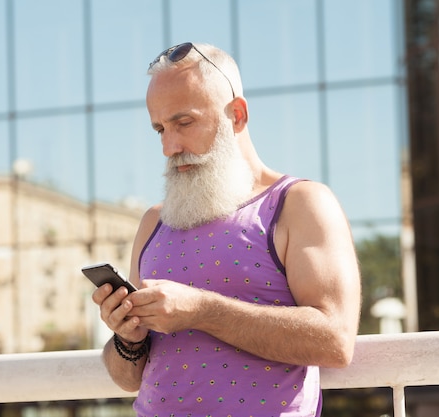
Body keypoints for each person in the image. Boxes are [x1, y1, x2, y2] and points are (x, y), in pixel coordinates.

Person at [92, 42, 361, 416]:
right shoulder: (154, 221)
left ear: (237, 115)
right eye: (160, 129)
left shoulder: (299, 203)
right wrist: (128, 338)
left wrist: (202, 310)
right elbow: (129, 378)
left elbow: (335, 340)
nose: (170, 146)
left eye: (184, 122)